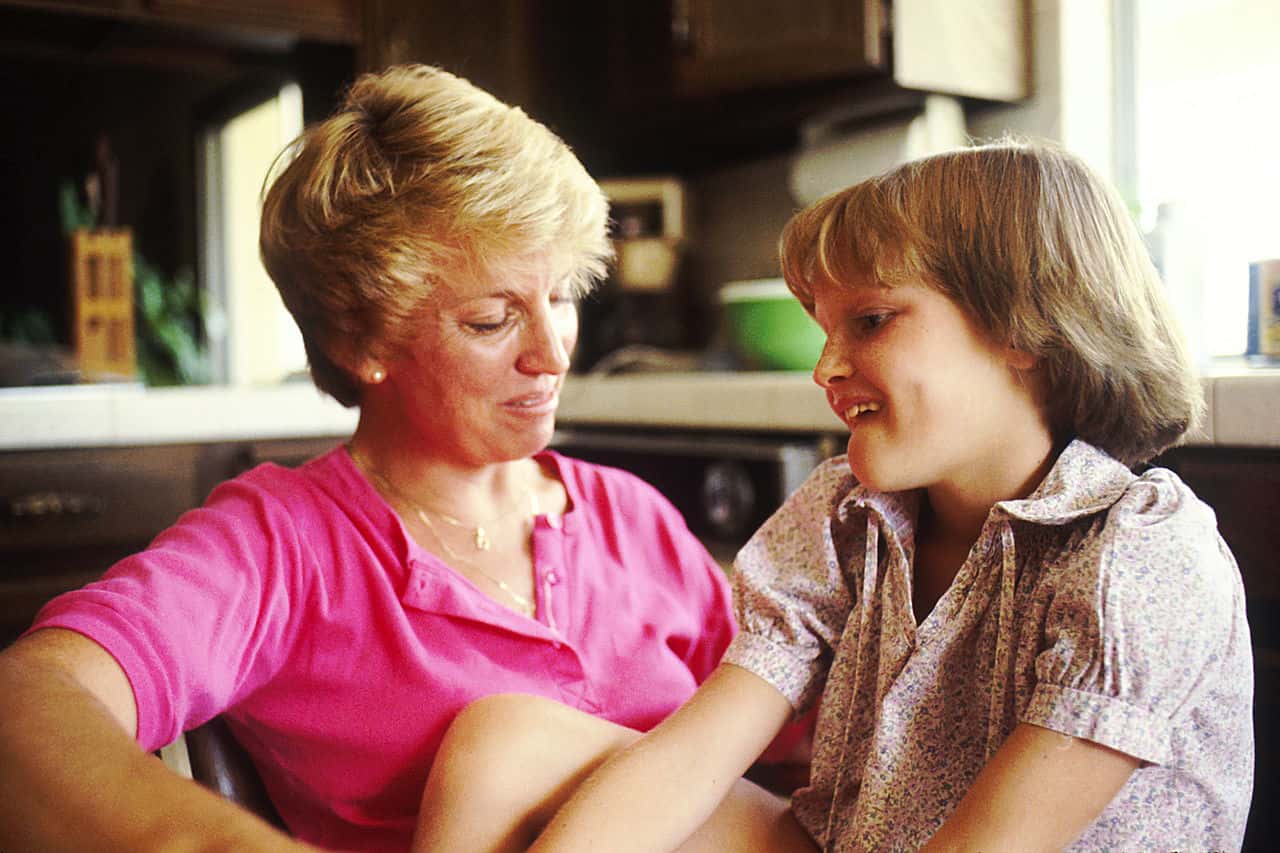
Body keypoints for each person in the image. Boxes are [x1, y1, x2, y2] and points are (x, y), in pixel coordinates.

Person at [413, 139, 1255, 852]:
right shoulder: (847, 512)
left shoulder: (1141, 554)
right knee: (504, 743)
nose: (825, 368)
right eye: (824, 328)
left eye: (872, 321)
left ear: (1023, 326)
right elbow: (692, 758)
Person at [0, 64, 742, 852]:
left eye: (561, 295)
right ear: (363, 342)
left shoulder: (634, 519)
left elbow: (799, 757)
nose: (553, 353)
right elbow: (30, 700)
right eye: (492, 320)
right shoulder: (285, 546)